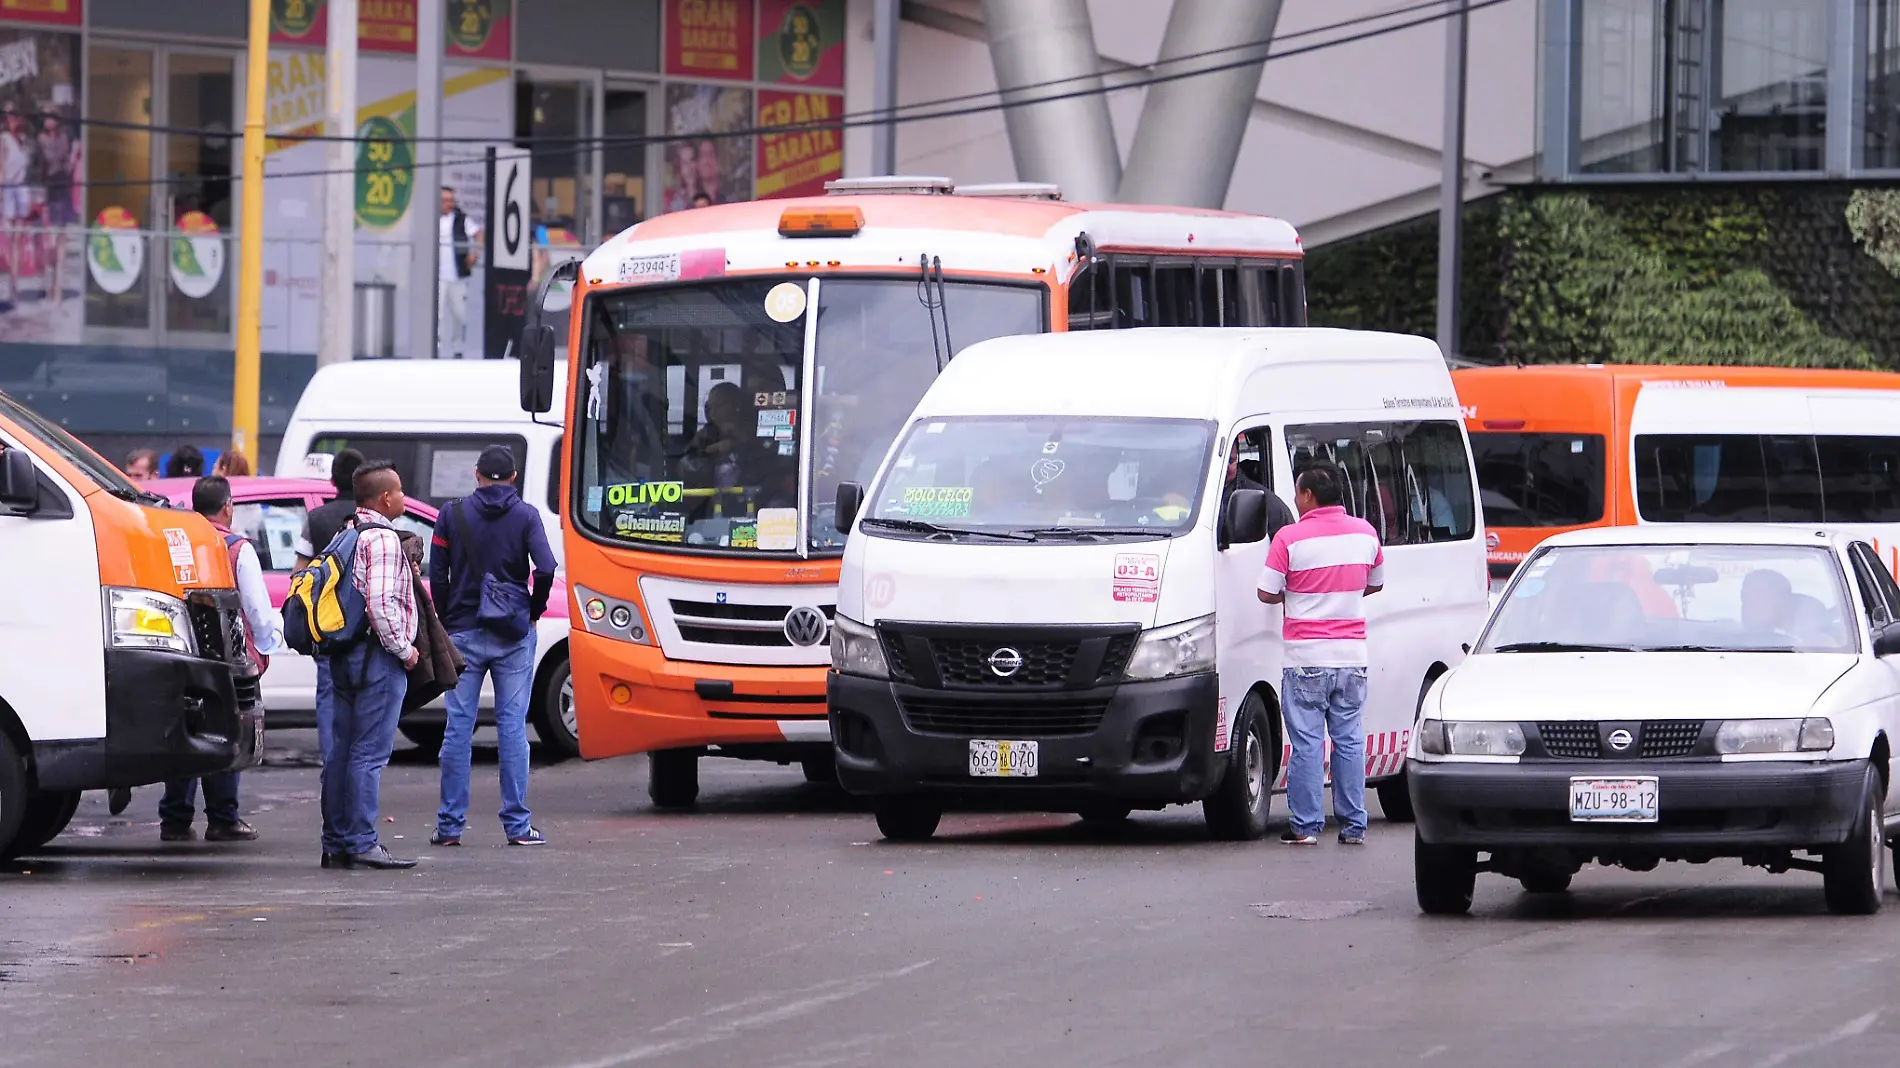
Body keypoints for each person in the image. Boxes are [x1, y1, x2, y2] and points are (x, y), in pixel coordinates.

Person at [428, 445, 556, 847]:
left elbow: (438, 574)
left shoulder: (452, 514)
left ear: (477, 474)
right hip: (513, 634)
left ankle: (449, 827)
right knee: (513, 727)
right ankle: (517, 826)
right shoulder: (527, 516)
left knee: (458, 728)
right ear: (514, 478)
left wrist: (449, 620)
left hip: (463, 632)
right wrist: (533, 610)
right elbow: (547, 567)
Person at [1257, 463, 1385, 846]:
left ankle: (1307, 826)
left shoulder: (1289, 538)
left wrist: (1298, 595)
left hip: (1306, 659)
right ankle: (1353, 826)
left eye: (1298, 493)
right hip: (1351, 658)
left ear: (1308, 495)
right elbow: (1374, 583)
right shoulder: (1366, 533)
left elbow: (1265, 591)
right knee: (1348, 739)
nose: (1295, 500)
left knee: (1308, 743)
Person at [160, 476, 283, 843]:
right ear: (227, 506)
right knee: (229, 731)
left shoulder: (175, 544)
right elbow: (257, 611)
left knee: (184, 732)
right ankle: (223, 818)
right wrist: (263, 648)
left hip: (181, 653)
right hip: (229, 660)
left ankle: (175, 820)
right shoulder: (238, 549)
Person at [316, 461, 420, 870]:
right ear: (385, 498)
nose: (404, 498)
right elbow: (380, 603)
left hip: (343, 656)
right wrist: (405, 650)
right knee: (369, 753)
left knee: (341, 750)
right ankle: (362, 841)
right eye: (400, 491)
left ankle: (336, 842)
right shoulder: (382, 539)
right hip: (376, 658)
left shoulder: (346, 532)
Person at [297, 448, 363, 566]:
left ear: (332, 481)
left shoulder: (315, 518)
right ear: (363, 480)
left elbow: (299, 570)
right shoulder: (376, 515)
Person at [438, 185, 483, 359]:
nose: (448, 204)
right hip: (438, 275)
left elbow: (479, 234)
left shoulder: (461, 219)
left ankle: (458, 348)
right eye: (445, 200)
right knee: (438, 313)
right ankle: (438, 347)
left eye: (451, 200)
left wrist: (474, 253)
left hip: (457, 274)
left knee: (459, 313)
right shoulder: (431, 218)